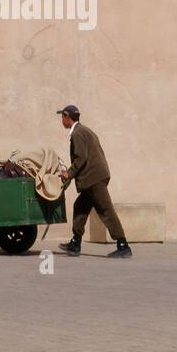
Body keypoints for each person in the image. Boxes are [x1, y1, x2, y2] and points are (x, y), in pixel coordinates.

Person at [56, 104, 132, 258]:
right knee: (80, 207)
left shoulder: (77, 134)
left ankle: (123, 245)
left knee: (105, 210)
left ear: (67, 117)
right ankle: (75, 243)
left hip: (94, 179)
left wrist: (68, 174)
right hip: (94, 178)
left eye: (62, 117)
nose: (61, 120)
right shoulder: (84, 130)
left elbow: (81, 158)